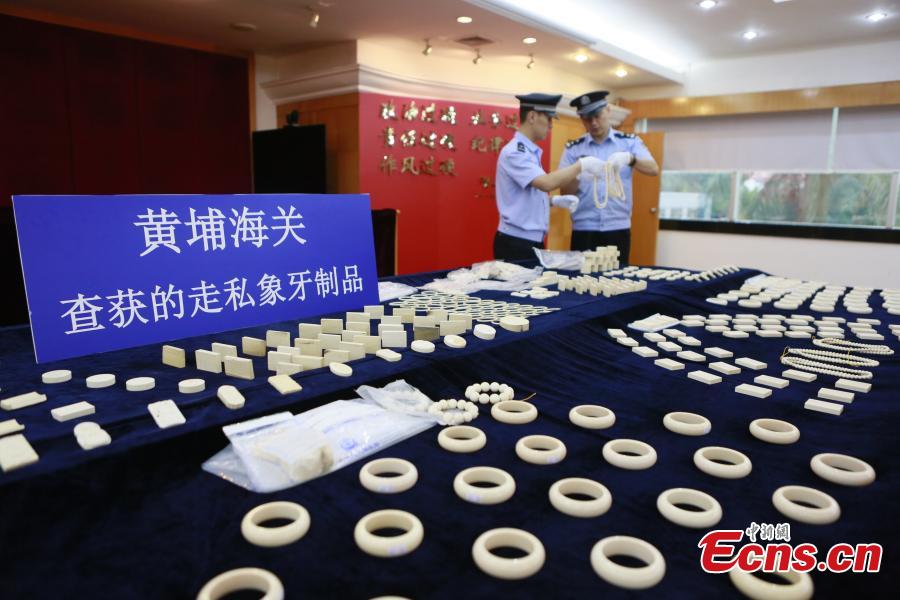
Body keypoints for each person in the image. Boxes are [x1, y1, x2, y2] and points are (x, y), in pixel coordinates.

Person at [494, 93, 605, 260]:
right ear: (532, 116)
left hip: (529, 240)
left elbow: (525, 196)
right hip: (516, 241)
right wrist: (581, 165)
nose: (551, 125)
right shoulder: (515, 152)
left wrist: (553, 201)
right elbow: (546, 183)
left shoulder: (529, 151)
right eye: (549, 118)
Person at [559, 90, 659, 263]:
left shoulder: (629, 142)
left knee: (617, 277)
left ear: (608, 110)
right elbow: (565, 192)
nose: (593, 123)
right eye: (587, 119)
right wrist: (578, 172)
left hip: (617, 227)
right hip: (584, 228)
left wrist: (631, 159)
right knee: (580, 278)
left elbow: (653, 169)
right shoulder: (573, 149)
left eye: (597, 116)